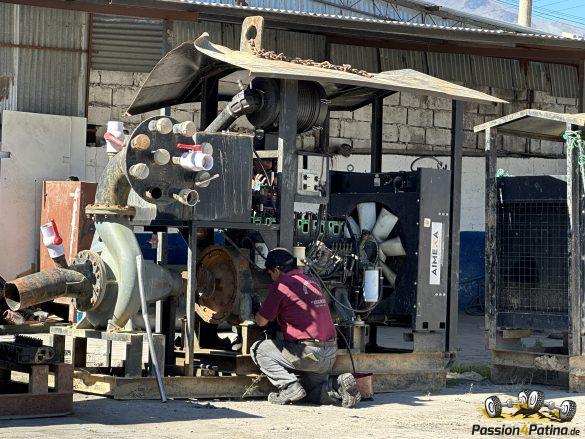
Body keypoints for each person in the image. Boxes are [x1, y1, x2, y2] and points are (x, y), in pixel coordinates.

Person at [251, 248, 361, 407]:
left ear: (277, 270)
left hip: (309, 354)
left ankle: (289, 387)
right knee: (310, 392)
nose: (271, 277)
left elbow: (262, 321)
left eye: (270, 273)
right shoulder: (311, 280)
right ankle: (338, 385)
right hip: (330, 353)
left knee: (259, 349)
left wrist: (256, 311)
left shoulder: (282, 284)